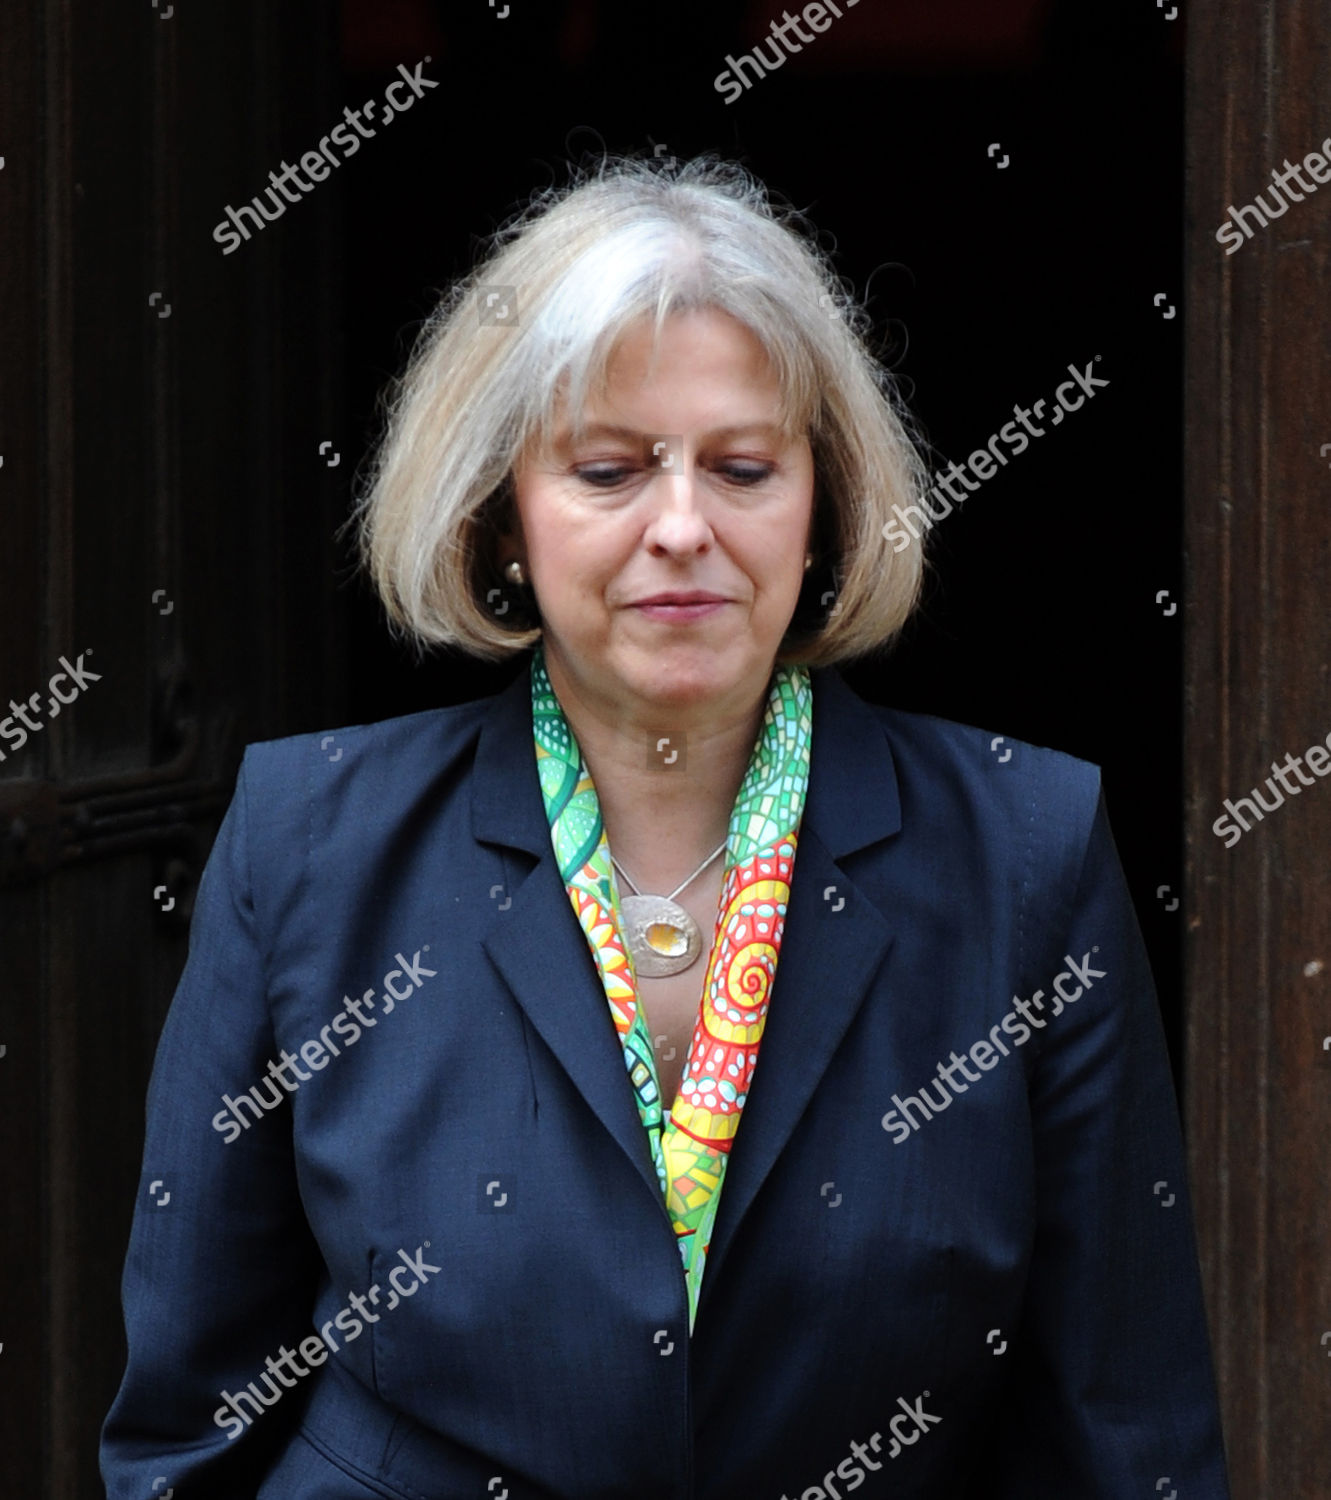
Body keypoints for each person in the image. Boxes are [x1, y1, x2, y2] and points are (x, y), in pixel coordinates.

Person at [101, 153, 1231, 1498]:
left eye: (744, 466)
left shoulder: (1028, 847)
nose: (684, 527)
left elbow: (1125, 1428)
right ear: (501, 511)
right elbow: (188, 1426)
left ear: (825, 506)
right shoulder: (307, 844)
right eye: (610, 470)